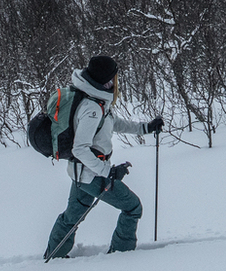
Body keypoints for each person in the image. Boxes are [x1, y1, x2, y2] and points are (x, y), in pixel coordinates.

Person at [44, 55, 163, 259]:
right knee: (132, 207)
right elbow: (79, 149)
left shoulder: (94, 100)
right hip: (93, 175)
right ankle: (120, 257)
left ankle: (53, 256)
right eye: (114, 78)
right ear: (106, 80)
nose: (116, 82)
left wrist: (145, 127)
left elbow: (112, 122)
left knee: (71, 218)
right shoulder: (91, 108)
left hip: (81, 175)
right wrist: (109, 172)